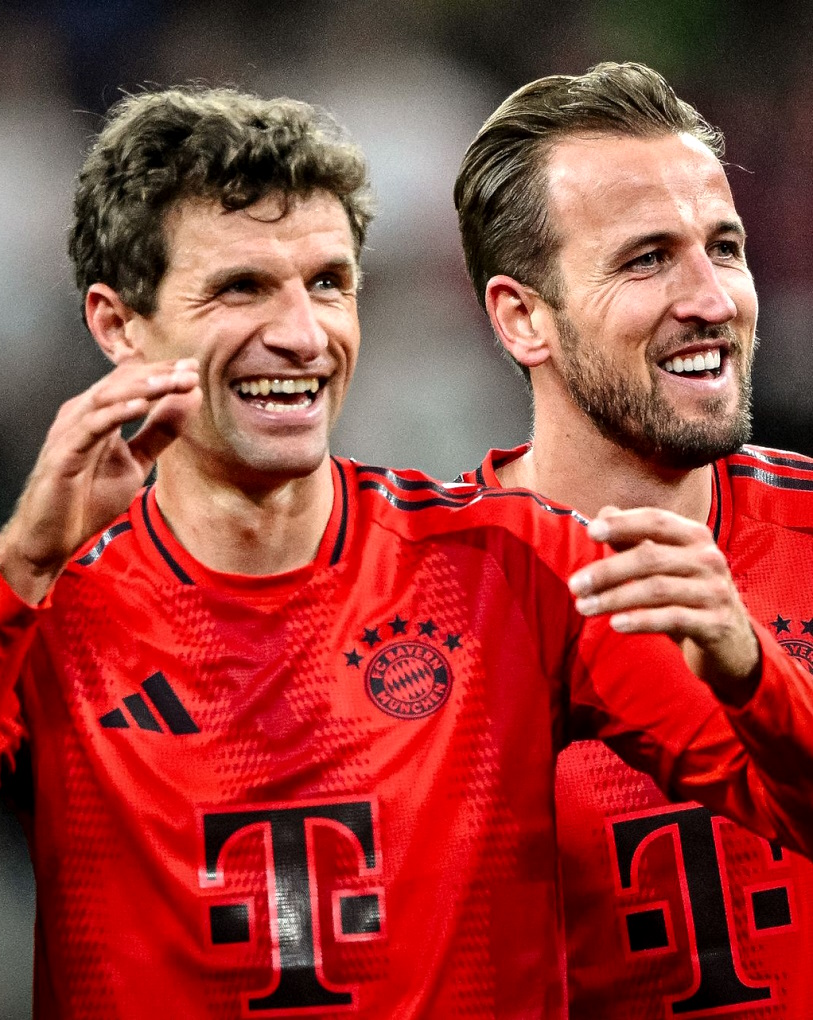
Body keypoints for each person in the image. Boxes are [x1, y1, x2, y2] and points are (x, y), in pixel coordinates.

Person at [1, 88, 812, 1020]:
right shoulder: (55, 611)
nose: (301, 335)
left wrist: (750, 669)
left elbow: (782, 808)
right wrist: (22, 569)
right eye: (241, 288)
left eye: (328, 284)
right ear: (118, 326)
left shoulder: (511, 567)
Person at [454, 61, 813, 1018]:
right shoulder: (424, 595)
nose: (712, 299)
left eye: (723, 248)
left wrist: (754, 673)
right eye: (646, 259)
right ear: (522, 317)